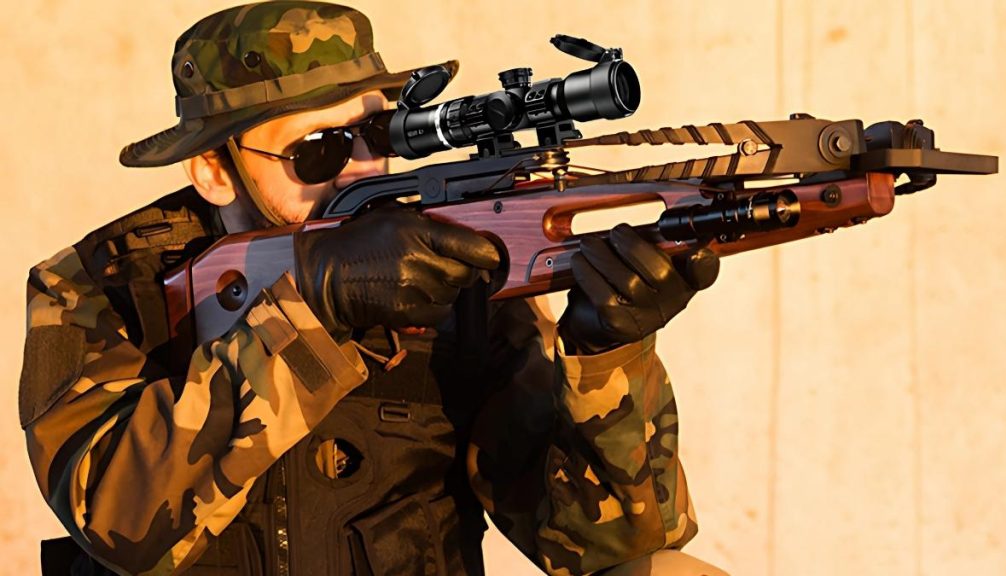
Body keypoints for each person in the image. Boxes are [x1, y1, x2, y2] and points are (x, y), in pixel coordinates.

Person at [19, 3, 726, 575]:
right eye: (318, 151)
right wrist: (312, 313)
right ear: (213, 168)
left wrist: (609, 354)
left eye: (380, 133)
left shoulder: (453, 269)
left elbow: (612, 549)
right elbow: (117, 521)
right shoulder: (102, 283)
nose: (359, 169)